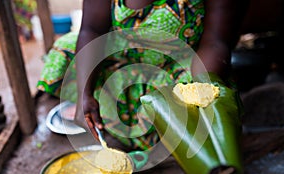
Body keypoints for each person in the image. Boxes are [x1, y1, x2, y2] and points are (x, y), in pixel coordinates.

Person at [38, 0, 248, 150]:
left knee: (194, 109)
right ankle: (104, 114)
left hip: (180, 63)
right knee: (64, 49)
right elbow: (92, 29)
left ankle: (157, 130)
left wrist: (198, 92)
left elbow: (215, 41)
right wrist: (85, 93)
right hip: (124, 59)